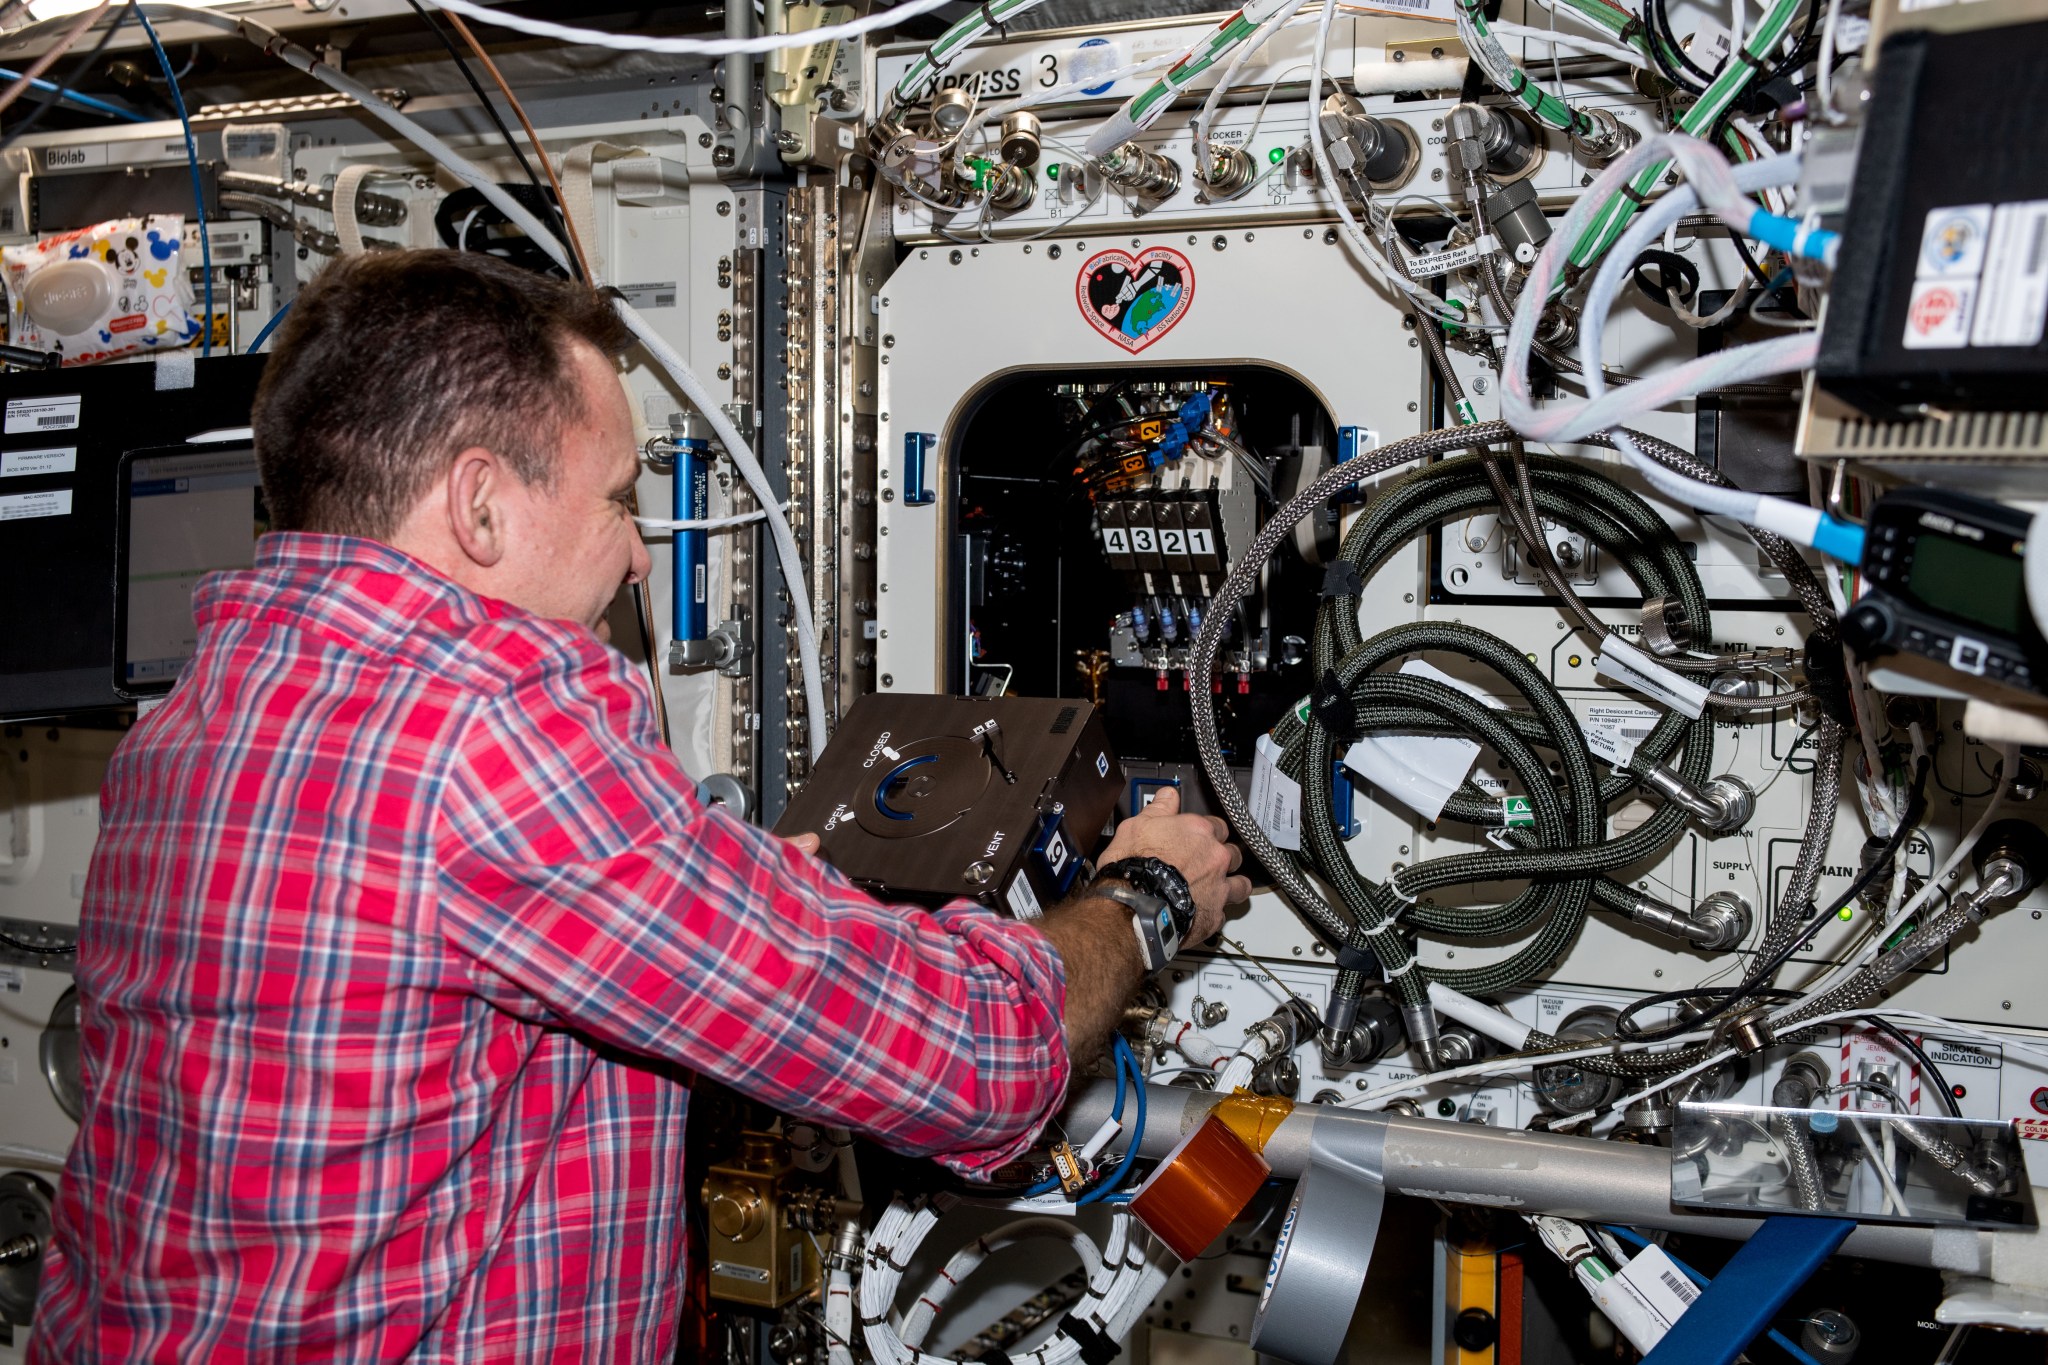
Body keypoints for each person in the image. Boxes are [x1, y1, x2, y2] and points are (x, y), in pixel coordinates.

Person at [32, 250, 1248, 1362]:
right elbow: (970, 1061)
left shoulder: (196, 715)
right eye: (618, 499)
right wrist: (1143, 898)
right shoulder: (488, 734)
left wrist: (724, 896)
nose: (631, 553)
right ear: (479, 504)